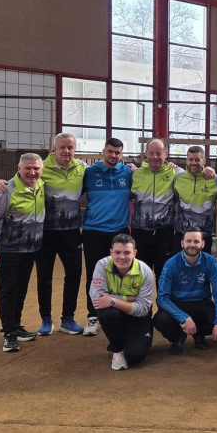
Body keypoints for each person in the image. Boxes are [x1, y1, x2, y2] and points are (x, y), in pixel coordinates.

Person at [0, 133, 85, 336]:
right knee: (44, 276)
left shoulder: (82, 168)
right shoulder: (40, 167)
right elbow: (18, 179)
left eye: (70, 147)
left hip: (71, 233)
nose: (66, 151)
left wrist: (131, 167)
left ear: (74, 149)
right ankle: (46, 319)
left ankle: (68, 318)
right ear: (54, 149)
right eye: (62, 147)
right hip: (44, 233)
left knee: (75, 273)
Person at [0, 153, 45, 352]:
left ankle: (16, 326)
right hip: (8, 251)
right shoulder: (5, 190)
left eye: (36, 168)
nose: (32, 172)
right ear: (19, 169)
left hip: (30, 251)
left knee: (20, 291)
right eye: (28, 168)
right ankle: (8, 333)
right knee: (7, 292)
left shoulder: (41, 186)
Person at [81, 138, 133, 336]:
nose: (113, 155)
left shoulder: (129, 172)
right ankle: (93, 316)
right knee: (94, 276)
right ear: (103, 151)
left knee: (122, 275)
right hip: (93, 231)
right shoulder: (89, 173)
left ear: (122, 154)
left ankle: (120, 312)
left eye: (117, 152)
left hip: (120, 232)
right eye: (110, 151)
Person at [153, 227, 217, 355]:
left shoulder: (210, 261)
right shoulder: (170, 264)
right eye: (188, 241)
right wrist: (184, 318)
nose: (192, 245)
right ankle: (178, 337)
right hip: (177, 304)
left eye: (196, 241)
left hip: (201, 303)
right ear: (182, 243)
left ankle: (199, 335)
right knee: (160, 319)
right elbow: (162, 298)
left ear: (203, 244)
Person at [89, 233, 156, 371]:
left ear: (134, 253)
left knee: (135, 355)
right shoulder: (102, 265)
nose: (122, 257)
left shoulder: (145, 271)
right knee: (107, 313)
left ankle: (125, 339)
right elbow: (97, 297)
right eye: (117, 252)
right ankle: (118, 349)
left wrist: (113, 300)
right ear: (111, 252)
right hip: (115, 312)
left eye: (127, 252)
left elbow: (143, 308)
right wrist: (126, 299)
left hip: (138, 316)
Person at [130, 138, 177, 280]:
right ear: (146, 154)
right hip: (140, 233)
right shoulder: (135, 173)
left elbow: (196, 174)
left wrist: (210, 170)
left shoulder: (176, 173)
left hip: (164, 233)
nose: (155, 157)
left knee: (164, 276)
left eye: (159, 153)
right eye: (151, 153)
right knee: (140, 276)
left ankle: (163, 296)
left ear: (166, 154)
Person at [173, 145, 217, 252]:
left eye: (197, 160)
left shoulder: (213, 179)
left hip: (204, 235)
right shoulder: (178, 178)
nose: (194, 163)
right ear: (186, 160)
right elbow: (176, 198)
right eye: (191, 159)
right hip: (181, 234)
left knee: (203, 262)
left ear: (204, 161)